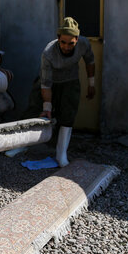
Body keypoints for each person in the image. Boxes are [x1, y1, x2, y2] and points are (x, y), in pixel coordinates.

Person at [25, 17, 95, 167]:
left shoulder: (84, 44)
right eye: (63, 42)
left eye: (71, 43)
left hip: (70, 80)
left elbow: (90, 61)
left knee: (68, 114)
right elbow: (45, 84)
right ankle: (22, 144)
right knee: (34, 108)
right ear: (58, 39)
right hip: (49, 81)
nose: (66, 47)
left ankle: (61, 154)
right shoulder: (48, 52)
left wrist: (91, 83)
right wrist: (47, 107)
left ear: (77, 39)